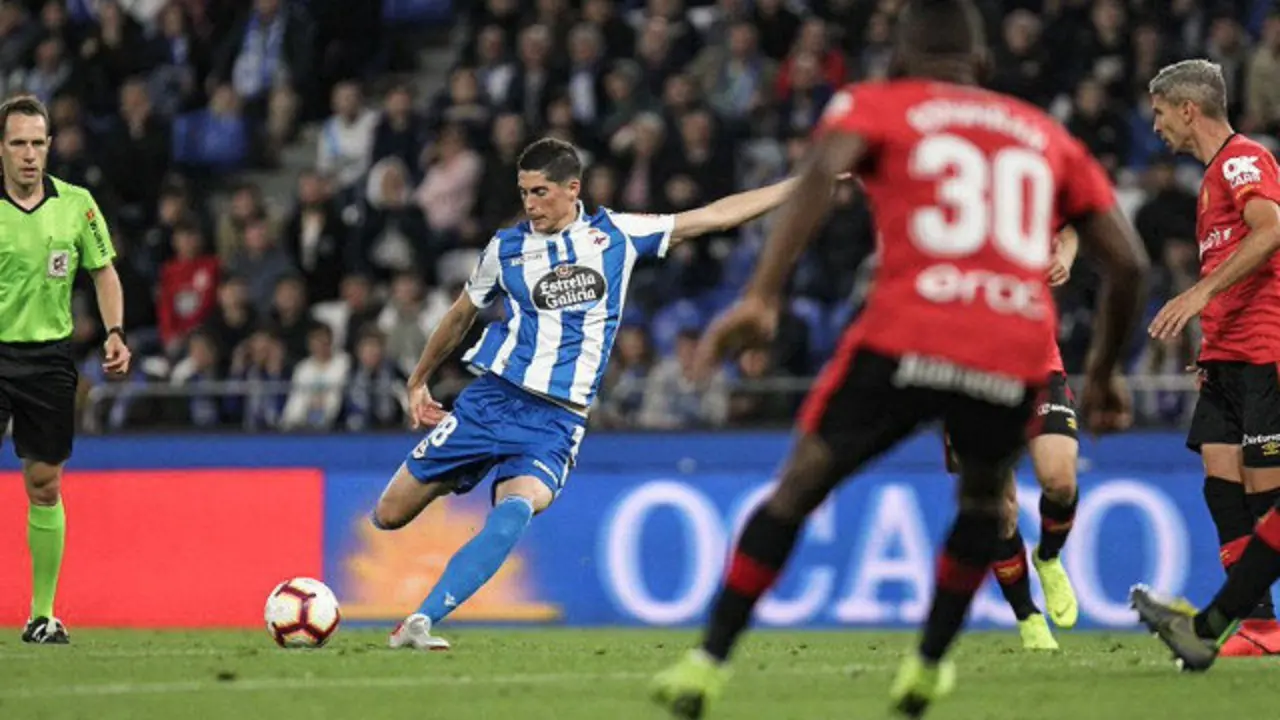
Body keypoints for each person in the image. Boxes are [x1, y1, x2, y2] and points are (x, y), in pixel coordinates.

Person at [649, 1, 1149, 717]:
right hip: (1009, 347)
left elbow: (821, 174)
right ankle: (927, 666)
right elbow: (1127, 264)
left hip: (905, 333)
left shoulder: (879, 103)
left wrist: (762, 294)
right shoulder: (1046, 136)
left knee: (799, 487)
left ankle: (707, 662)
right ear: (982, 64)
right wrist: (1102, 375)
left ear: (904, 60)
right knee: (984, 500)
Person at [370, 136, 806, 651]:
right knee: (389, 515)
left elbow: (711, 217)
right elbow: (462, 314)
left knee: (518, 507)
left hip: (555, 422)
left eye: (540, 192)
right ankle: (456, 474)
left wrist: (800, 185)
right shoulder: (505, 248)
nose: (530, 205)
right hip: (491, 401)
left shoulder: (616, 234)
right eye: (524, 192)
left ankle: (421, 620)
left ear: (572, 189)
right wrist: (419, 378)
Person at [1145, 58, 1280, 656]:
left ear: (1187, 109)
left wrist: (1200, 294)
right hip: (1223, 360)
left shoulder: (1245, 159)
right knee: (1222, 490)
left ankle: (1239, 623)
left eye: (1159, 112)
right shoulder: (1209, 182)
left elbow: (1272, 227)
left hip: (1263, 353)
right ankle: (1258, 627)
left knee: (1266, 498)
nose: (1155, 127)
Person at [0, 95, 130, 644]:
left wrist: (115, 333)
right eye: (18, 143)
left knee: (45, 483)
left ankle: (42, 614)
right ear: (1, 149)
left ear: (50, 145)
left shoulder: (76, 204)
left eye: (37, 143)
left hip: (50, 358)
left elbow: (103, 272)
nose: (29, 155)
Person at [945, 227, 1083, 651]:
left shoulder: (1026, 178)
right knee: (998, 510)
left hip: (1037, 363)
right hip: (967, 372)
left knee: (1060, 480)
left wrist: (1066, 258)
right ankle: (1027, 616)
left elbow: (1072, 227)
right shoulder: (943, 206)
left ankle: (1048, 557)